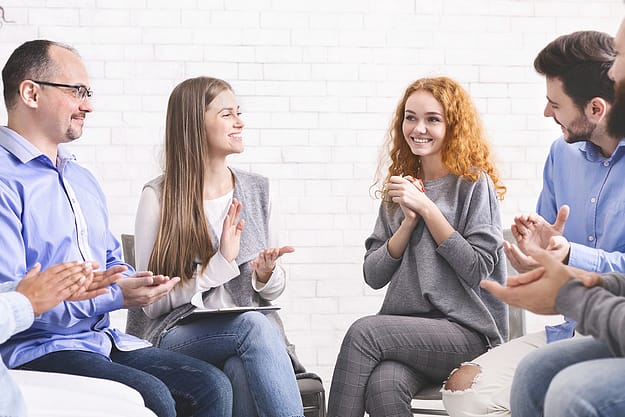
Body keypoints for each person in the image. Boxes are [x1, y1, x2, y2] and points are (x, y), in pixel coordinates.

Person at [0, 40, 233, 417]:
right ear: (30, 93)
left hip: (101, 340)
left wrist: (129, 283)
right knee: (152, 396)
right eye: (76, 91)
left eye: (88, 93)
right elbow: (16, 300)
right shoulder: (5, 180)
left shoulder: (82, 180)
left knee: (210, 385)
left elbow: (110, 262)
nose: (87, 104)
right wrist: (114, 296)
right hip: (38, 348)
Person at [442, 30, 623, 417]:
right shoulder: (562, 154)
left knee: (564, 391)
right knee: (463, 392)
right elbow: (552, 255)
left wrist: (574, 256)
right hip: (574, 327)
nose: (546, 113)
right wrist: (539, 258)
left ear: (595, 110)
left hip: (613, 329)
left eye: (554, 104)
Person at [326, 76, 508, 417]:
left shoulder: (472, 183)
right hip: (406, 333)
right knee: (382, 385)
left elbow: (479, 270)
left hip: (467, 333)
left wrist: (427, 209)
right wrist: (408, 222)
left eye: (432, 119)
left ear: (452, 125)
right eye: (410, 117)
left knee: (364, 333)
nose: (418, 128)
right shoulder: (400, 188)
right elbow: (373, 274)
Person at [126, 76, 304, 417]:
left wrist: (266, 275)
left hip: (246, 339)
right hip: (174, 333)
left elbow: (272, 291)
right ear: (195, 123)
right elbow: (150, 304)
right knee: (252, 326)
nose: (240, 122)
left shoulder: (257, 190)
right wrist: (218, 265)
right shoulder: (158, 197)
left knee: (239, 367)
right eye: (227, 114)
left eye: (239, 112)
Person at [1, 261, 156, 417]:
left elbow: (115, 261)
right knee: (150, 398)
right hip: (38, 347)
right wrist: (26, 300)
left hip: (99, 337)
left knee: (138, 398)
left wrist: (56, 288)